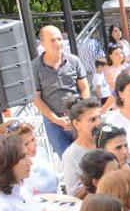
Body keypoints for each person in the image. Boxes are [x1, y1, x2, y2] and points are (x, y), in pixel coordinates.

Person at [32, 25, 91, 156]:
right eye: (52, 40)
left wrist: (79, 114)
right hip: (53, 121)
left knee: (87, 157)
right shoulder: (35, 66)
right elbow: (36, 98)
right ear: (42, 43)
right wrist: (56, 120)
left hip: (77, 117)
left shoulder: (74, 61)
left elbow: (85, 88)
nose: (57, 43)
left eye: (59, 39)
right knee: (66, 158)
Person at [0, 118, 58, 195]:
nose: (33, 146)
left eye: (33, 140)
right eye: (26, 144)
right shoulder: (15, 169)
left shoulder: (41, 152)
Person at [59, 99, 102, 195]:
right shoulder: (70, 155)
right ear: (76, 124)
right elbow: (74, 195)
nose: (98, 123)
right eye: (92, 119)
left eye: (99, 118)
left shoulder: (105, 142)